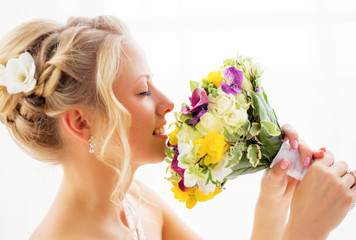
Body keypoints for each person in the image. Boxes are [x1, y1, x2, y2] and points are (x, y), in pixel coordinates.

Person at [0, 16, 354, 240]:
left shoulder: (134, 200)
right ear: (81, 122)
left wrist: (274, 198)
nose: (168, 102)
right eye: (142, 90)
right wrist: (308, 231)